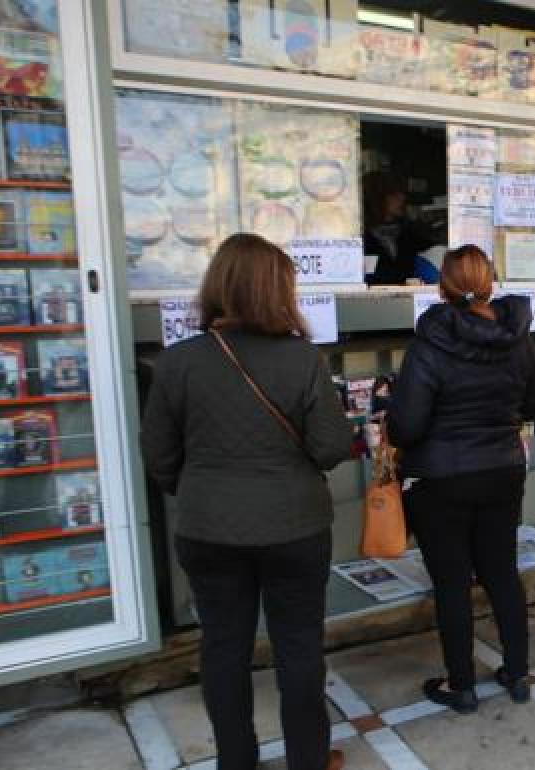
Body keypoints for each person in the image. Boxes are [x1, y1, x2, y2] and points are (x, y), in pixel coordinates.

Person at [141, 233, 354, 770]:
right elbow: (330, 449)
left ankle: (235, 762)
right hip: (296, 527)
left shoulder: (177, 363)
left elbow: (160, 457)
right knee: (299, 649)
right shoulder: (303, 360)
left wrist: (202, 493)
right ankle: (308, 760)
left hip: (207, 529)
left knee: (222, 649)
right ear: (277, 292)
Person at [386, 245, 535, 715]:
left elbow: (406, 427)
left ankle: (462, 686)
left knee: (451, 584)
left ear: (443, 286)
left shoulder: (430, 342)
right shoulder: (516, 338)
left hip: (440, 481)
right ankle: (517, 673)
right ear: (491, 280)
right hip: (502, 470)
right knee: (502, 573)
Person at [363, 171, 438, 285]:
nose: (401, 198)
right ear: (376, 198)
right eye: (393, 194)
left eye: (402, 193)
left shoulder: (410, 236)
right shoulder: (359, 240)